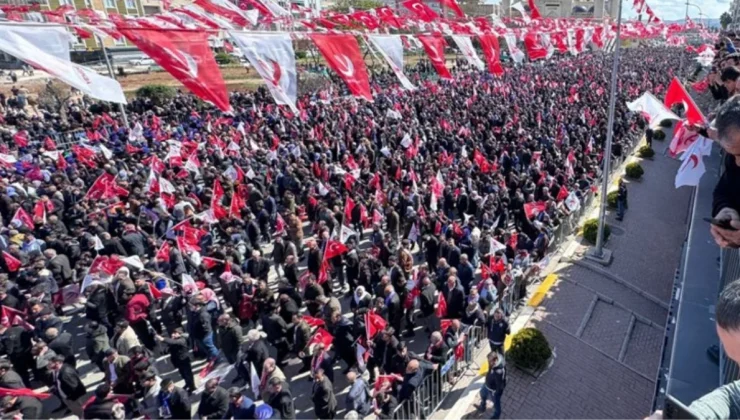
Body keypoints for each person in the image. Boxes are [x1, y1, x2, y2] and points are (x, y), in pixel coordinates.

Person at [155, 327, 196, 392]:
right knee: (183, 374)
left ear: (180, 334)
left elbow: (173, 342)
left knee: (188, 374)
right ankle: (187, 384)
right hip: (178, 361)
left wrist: (162, 339)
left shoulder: (182, 340)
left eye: (175, 333)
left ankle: (192, 387)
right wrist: (164, 351)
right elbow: (169, 348)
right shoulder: (174, 340)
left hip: (184, 360)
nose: (172, 335)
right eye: (172, 333)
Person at [477, 352, 506, 420]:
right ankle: (483, 406)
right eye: (488, 361)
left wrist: (496, 393)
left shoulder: (499, 371)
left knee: (496, 405)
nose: (489, 363)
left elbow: (500, 385)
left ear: (495, 360)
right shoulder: (493, 363)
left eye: (490, 361)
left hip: (493, 391)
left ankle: (496, 417)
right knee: (482, 393)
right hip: (487, 385)